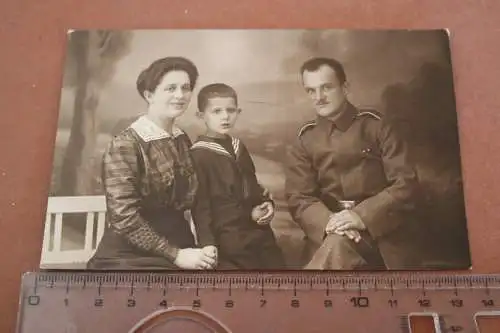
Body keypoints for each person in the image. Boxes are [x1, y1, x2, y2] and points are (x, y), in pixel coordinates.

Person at [284, 57, 421, 270]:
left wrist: (360, 216)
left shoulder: (378, 126)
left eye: (326, 88)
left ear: (345, 87)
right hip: (330, 234)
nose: (319, 98)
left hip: (382, 237)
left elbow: (406, 185)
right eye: (311, 91)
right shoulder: (305, 139)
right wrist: (331, 223)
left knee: (336, 250)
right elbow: (299, 197)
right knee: (337, 245)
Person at [87, 56, 217, 270]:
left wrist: (207, 243)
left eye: (186, 88)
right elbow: (124, 218)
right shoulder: (126, 145)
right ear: (149, 95)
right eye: (170, 88)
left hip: (181, 244)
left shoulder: (180, 138)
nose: (180, 95)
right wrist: (175, 255)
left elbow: (198, 197)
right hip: (130, 254)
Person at [190, 83, 285, 269]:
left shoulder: (238, 146)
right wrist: (207, 244)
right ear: (201, 116)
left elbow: (253, 186)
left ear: (238, 112)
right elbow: (200, 206)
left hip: (258, 231)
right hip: (226, 238)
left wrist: (267, 204)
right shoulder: (198, 155)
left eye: (231, 110)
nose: (225, 116)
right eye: (216, 111)